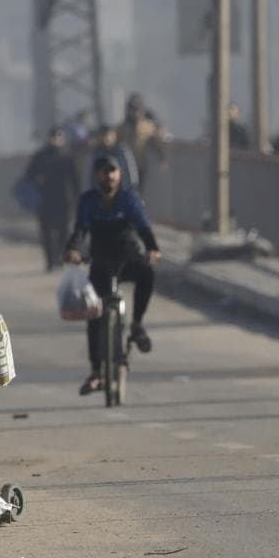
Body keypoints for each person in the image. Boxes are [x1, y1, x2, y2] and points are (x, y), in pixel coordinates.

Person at [64, 156, 162, 396]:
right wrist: (73, 249)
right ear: (96, 176)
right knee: (95, 313)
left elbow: (143, 227)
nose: (109, 176)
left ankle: (137, 324)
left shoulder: (129, 200)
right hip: (101, 261)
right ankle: (97, 371)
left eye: (113, 171)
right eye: (104, 171)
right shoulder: (88, 201)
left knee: (147, 274)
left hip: (128, 257)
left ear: (120, 174)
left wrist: (152, 247)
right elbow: (80, 229)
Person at [26, 128, 80, 272]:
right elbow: (29, 175)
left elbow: (74, 180)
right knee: (46, 233)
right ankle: (50, 261)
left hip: (63, 200)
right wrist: (37, 179)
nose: (56, 139)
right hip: (44, 200)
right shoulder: (40, 156)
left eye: (59, 136)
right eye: (54, 136)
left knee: (64, 232)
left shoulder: (67, 157)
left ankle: (60, 258)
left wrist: (77, 198)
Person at [119, 93, 167, 194]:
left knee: (139, 190)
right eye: (133, 110)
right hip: (126, 164)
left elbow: (155, 143)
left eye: (138, 110)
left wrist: (162, 158)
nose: (136, 113)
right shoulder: (123, 127)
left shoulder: (147, 126)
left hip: (141, 164)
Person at [89, 124, 139, 191]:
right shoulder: (96, 154)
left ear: (114, 135)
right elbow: (90, 177)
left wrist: (132, 190)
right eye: (103, 136)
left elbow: (131, 171)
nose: (106, 139)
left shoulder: (122, 151)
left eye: (109, 135)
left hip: (122, 192)